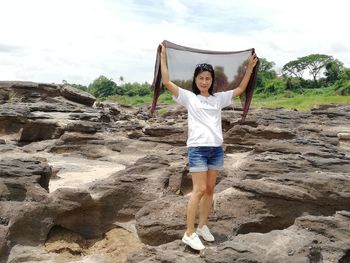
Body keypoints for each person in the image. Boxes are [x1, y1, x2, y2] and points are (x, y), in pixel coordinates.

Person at [160, 43, 258, 251]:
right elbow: (166, 81)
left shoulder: (218, 99)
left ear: (212, 80)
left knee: (210, 190)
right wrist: (163, 57)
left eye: (207, 78)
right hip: (197, 149)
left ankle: (203, 226)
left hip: (216, 149)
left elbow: (240, 89)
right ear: (195, 80)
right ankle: (189, 233)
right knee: (199, 190)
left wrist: (248, 68)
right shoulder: (188, 97)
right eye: (200, 78)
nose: (204, 81)